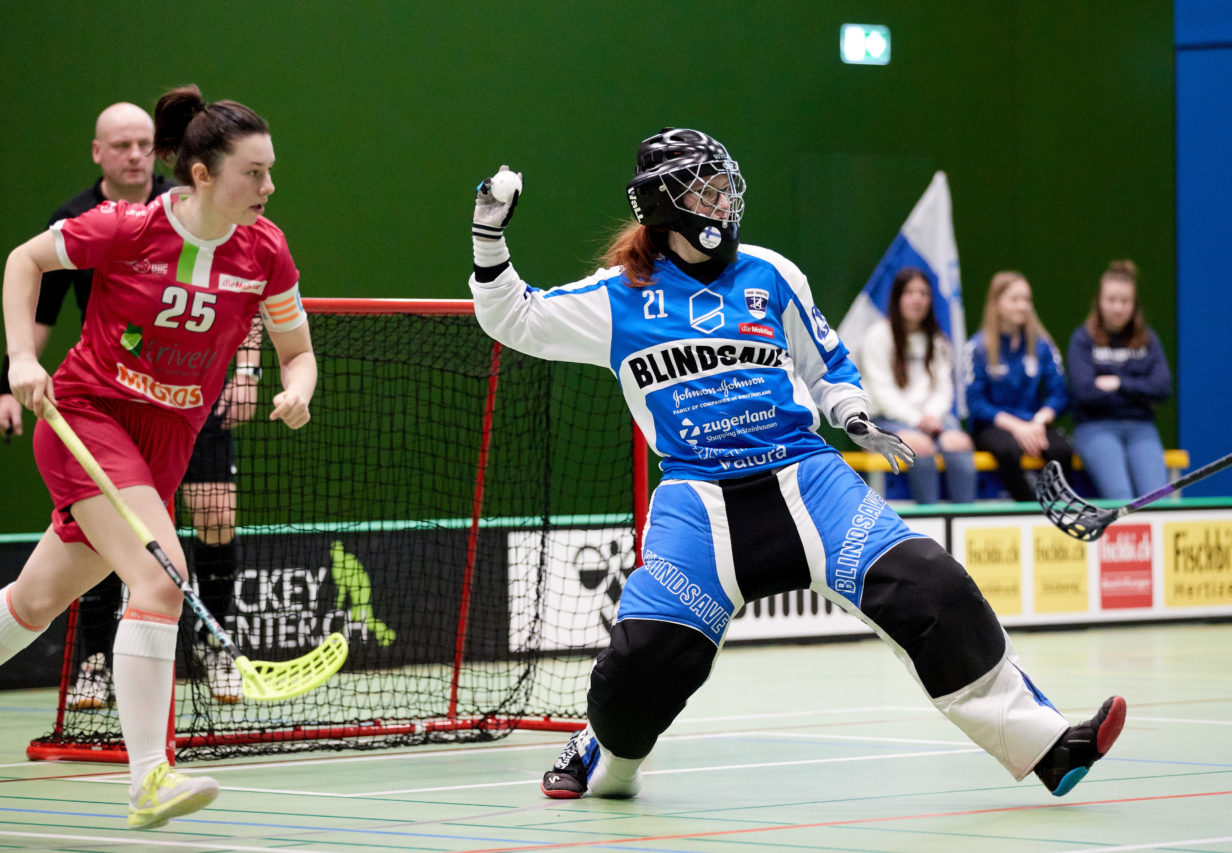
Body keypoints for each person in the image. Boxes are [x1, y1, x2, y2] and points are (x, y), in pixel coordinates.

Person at [468, 128, 1125, 802]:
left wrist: (854, 413)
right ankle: (603, 756)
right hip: (700, 502)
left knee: (935, 588)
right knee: (638, 669)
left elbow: (828, 363)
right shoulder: (618, 298)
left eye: (725, 185)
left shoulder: (772, 274)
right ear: (666, 202)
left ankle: (1049, 747)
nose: (723, 200)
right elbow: (512, 317)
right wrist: (488, 234)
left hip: (809, 480)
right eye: (705, 186)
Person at [0, 85, 315, 830]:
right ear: (204, 175)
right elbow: (25, 261)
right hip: (86, 417)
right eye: (255, 172)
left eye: (271, 171)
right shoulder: (127, 227)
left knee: (37, 598)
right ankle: (149, 775)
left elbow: (298, 348)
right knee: (160, 573)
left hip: (167, 442)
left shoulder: (265, 249)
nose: (269, 187)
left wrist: (296, 388)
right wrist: (22, 358)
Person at [0, 101, 256, 710]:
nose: (136, 155)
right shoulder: (95, 220)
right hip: (107, 405)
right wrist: (12, 378)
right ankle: (103, 677)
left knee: (40, 595)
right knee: (150, 565)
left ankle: (215, 650)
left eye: (144, 143)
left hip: (189, 406)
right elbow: (38, 308)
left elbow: (250, 286)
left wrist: (248, 368)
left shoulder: (199, 205)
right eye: (122, 145)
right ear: (98, 153)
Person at [859, 267, 976, 503]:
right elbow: (882, 394)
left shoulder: (938, 341)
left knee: (959, 442)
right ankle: (930, 522)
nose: (917, 299)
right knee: (920, 447)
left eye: (923, 293)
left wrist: (931, 417)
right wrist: (916, 421)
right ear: (897, 298)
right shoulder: (877, 337)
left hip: (932, 420)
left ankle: (964, 519)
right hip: (885, 420)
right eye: (910, 292)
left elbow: (944, 389)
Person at [1066, 260, 1171, 500]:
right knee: (1122, 497)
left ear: (1134, 305)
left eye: (1125, 301)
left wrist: (1118, 383)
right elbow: (1084, 391)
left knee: (1156, 498)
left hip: (1141, 427)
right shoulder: (1082, 339)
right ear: (1099, 301)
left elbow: (1162, 388)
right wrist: (1138, 389)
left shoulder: (1148, 339)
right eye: (1112, 300)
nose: (1118, 308)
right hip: (1095, 427)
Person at [965, 271, 1073, 502]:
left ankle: (1059, 510)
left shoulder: (1043, 345)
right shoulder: (978, 347)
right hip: (994, 426)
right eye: (1014, 300)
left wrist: (1038, 421)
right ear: (996, 304)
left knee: (1061, 450)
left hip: (1034, 422)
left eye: (1026, 300)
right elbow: (976, 403)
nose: (1022, 306)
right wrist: (1016, 427)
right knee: (1008, 450)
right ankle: (1030, 511)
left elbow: (1059, 394)